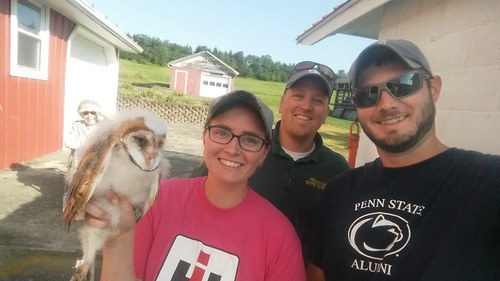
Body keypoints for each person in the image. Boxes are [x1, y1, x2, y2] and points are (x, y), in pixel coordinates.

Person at [308, 39, 500, 281]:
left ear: (434, 88)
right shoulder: (338, 192)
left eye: (404, 84)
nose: (386, 104)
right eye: (368, 95)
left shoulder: (489, 185)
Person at [84, 90, 306, 281]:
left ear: (264, 152)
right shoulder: (158, 199)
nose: (232, 148)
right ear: (204, 137)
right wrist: (117, 238)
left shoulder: (280, 237)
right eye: (221, 132)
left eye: (250, 139)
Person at [192, 61, 351, 266]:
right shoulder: (243, 152)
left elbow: (334, 242)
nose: (306, 106)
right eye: (298, 95)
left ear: (326, 113)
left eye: (318, 100)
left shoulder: (338, 171)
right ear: (282, 103)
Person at [65, 99, 102, 169]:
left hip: (96, 160)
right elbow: (68, 142)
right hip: (78, 160)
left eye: (92, 113)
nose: (89, 116)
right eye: (86, 113)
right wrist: (87, 145)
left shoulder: (102, 125)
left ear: (97, 114)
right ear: (81, 115)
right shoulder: (77, 125)